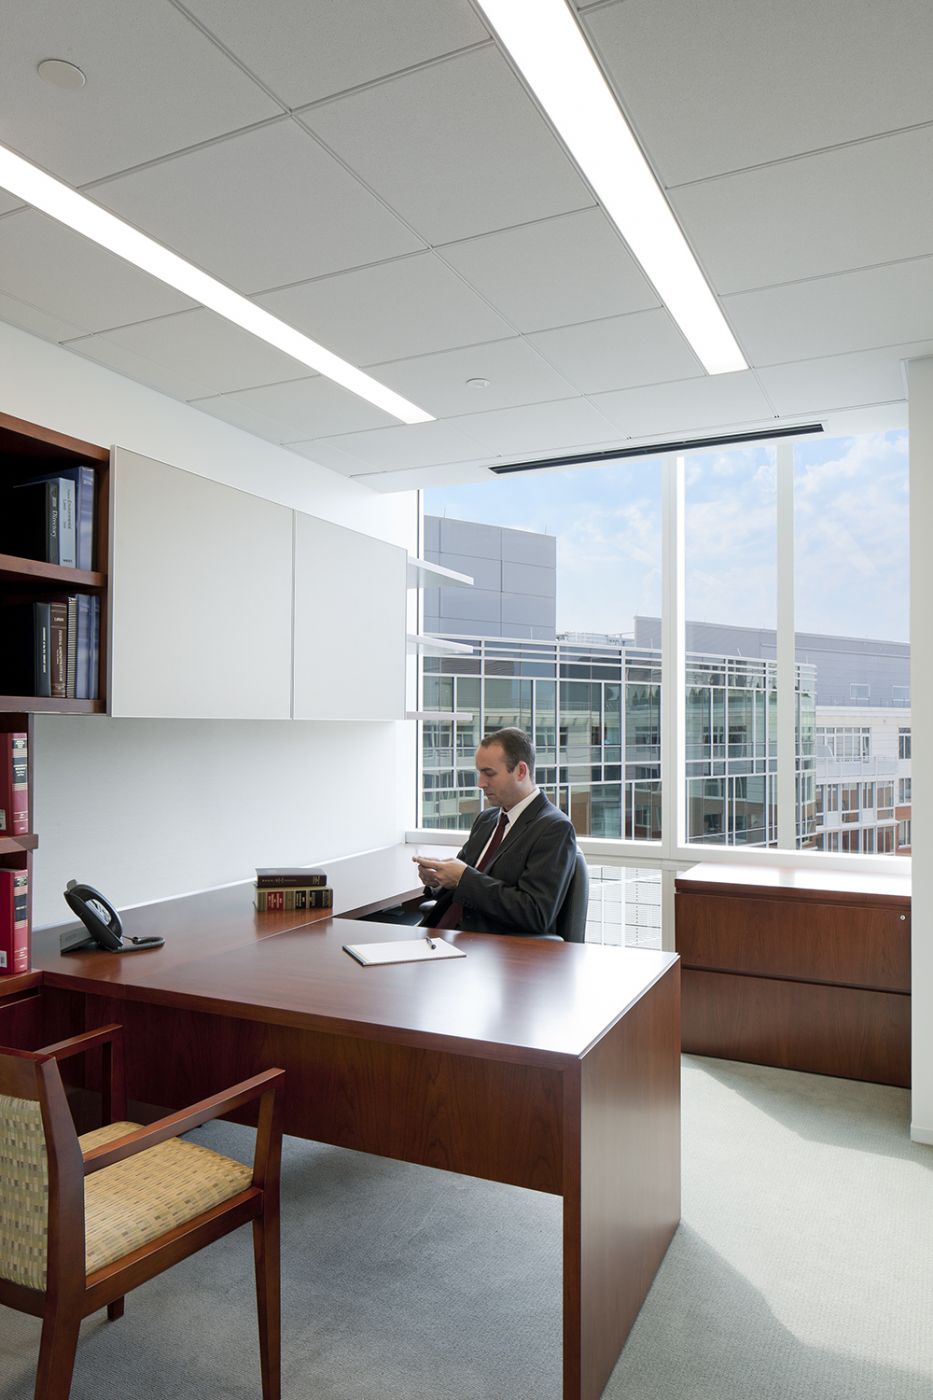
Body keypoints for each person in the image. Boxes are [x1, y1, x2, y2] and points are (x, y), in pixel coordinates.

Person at [415, 727, 578, 937]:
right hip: (442, 935)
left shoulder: (553, 828)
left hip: (490, 949)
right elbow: (462, 886)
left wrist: (464, 878)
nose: (481, 783)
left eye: (489, 773)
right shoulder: (487, 820)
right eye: (479, 772)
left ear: (521, 771)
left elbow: (535, 913)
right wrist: (438, 881)